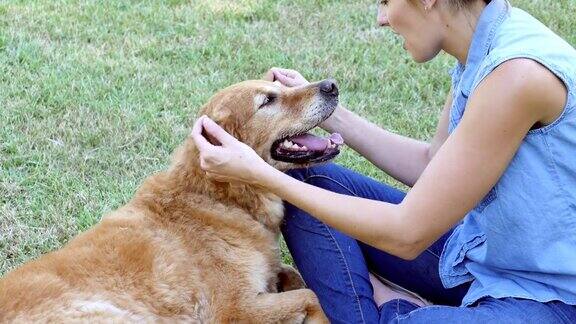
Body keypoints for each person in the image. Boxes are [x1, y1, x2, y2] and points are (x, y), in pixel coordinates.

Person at [191, 0, 576, 322]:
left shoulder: (516, 75)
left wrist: (261, 174)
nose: (382, 18)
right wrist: (329, 115)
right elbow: (431, 164)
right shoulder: (485, 45)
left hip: (552, 297)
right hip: (482, 256)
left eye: (386, 1)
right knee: (308, 180)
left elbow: (408, 235)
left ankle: (388, 306)